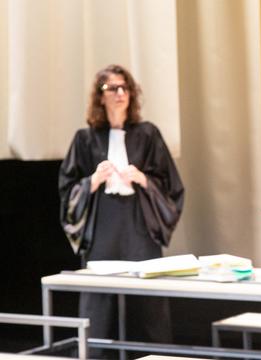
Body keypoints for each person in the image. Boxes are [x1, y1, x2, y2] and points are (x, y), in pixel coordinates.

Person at [59, 64, 184, 357]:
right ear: (99, 97)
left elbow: (171, 185)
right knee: (98, 305)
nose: (119, 93)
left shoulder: (148, 134)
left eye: (123, 87)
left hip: (139, 224)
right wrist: (92, 181)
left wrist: (141, 178)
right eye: (111, 88)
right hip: (103, 225)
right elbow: (67, 191)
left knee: (149, 304)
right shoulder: (85, 139)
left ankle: (156, 357)